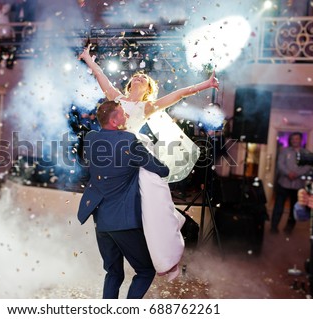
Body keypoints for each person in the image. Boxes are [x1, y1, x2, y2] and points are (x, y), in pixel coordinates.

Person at [78, 43, 219, 278]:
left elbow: (180, 93)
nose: (139, 77)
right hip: (110, 152)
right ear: (131, 83)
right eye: (136, 76)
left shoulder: (148, 106)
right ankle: (111, 237)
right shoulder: (116, 98)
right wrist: (88, 59)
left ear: (148, 89)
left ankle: (165, 253)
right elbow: (101, 77)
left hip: (130, 154)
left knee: (152, 196)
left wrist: (206, 84)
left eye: (143, 78)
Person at [77, 100, 170, 298]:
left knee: (113, 273)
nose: (126, 116)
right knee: (145, 271)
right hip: (123, 221)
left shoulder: (92, 138)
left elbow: (89, 172)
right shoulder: (128, 140)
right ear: (113, 121)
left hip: (101, 220)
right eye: (122, 114)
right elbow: (160, 169)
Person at [270, 132, 311, 234]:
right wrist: (288, 173)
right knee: (278, 207)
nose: (294, 141)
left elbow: (308, 167)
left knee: (294, 209)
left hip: (298, 185)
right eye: (292, 139)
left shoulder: (307, 153)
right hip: (283, 184)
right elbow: (280, 164)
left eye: (296, 139)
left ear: (301, 140)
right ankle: (273, 227)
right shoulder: (284, 151)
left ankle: (289, 228)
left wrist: (296, 174)